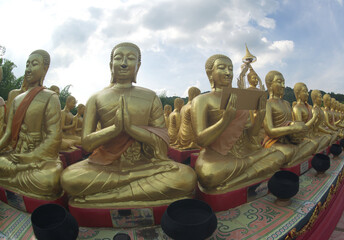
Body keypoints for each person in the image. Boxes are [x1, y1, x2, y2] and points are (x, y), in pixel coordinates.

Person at [61, 42, 196, 207]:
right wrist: (115, 129)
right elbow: (87, 144)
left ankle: (106, 196)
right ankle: (132, 192)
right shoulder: (96, 98)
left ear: (138, 66)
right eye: (119, 58)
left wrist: (131, 129)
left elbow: (162, 141)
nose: (124, 63)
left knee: (186, 177)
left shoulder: (150, 96)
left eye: (130, 59)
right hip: (107, 166)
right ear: (111, 65)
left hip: (145, 164)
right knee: (69, 178)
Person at [191, 54, 285, 193]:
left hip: (243, 153)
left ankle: (235, 181)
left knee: (279, 156)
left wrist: (259, 116)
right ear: (210, 73)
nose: (228, 72)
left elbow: (250, 134)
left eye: (230, 68)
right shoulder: (202, 100)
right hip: (217, 156)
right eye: (222, 68)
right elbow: (201, 140)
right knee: (208, 174)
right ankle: (249, 174)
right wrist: (225, 120)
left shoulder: (239, 98)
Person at [0, 50, 63, 199]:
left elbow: (54, 137)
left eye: (34, 64)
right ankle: (17, 172)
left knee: (50, 180)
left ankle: (17, 173)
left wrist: (30, 157)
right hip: (17, 154)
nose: (28, 69)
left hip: (39, 159)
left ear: (45, 69)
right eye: (27, 64)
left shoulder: (51, 97)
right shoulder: (16, 99)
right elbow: (8, 134)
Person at [263, 71, 318, 166]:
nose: (283, 85)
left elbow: (291, 122)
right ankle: (291, 159)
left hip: (289, 139)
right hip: (275, 141)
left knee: (312, 144)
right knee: (290, 151)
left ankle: (292, 160)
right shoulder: (267, 104)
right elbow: (270, 131)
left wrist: (296, 129)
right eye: (279, 82)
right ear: (270, 85)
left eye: (284, 82)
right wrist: (293, 128)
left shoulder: (287, 104)